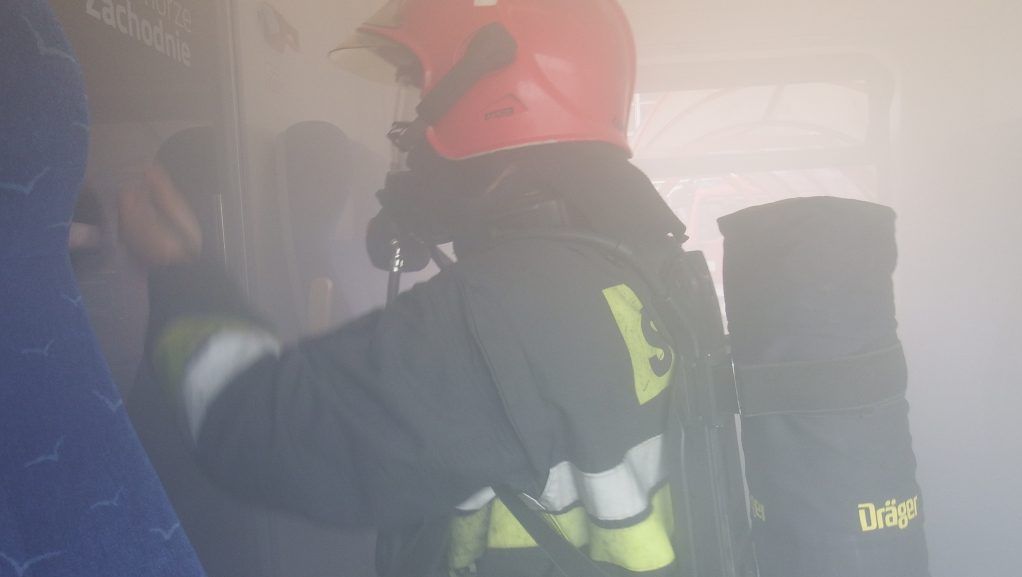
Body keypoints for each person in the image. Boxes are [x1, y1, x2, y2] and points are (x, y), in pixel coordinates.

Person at [120, 1, 691, 576]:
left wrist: (180, 270)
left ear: (494, 101)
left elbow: (261, 433)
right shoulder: (644, 264)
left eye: (423, 96)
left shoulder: (500, 313)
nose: (411, 134)